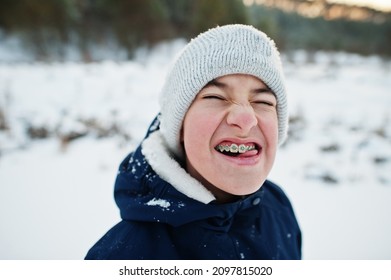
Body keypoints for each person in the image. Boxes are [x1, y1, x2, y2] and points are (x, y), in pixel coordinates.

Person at [85, 24, 301, 260]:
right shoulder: (124, 257)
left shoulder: (278, 209)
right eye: (215, 97)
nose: (246, 119)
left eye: (263, 101)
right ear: (179, 127)